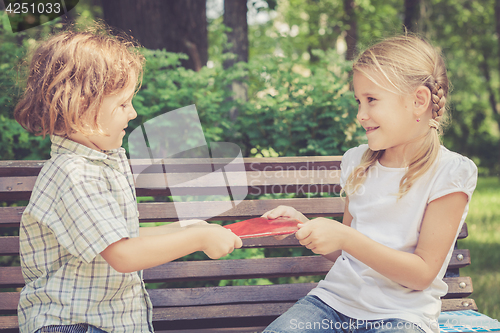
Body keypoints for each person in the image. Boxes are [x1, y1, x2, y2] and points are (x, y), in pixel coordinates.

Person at [14, 26, 242, 333]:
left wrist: (191, 228)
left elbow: (123, 240)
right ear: (81, 107)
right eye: (122, 104)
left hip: (102, 322)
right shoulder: (74, 174)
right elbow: (122, 255)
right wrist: (198, 239)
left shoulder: (99, 163)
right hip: (71, 324)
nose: (133, 113)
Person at [261, 34, 477, 333]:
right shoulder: (357, 162)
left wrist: (346, 238)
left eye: (371, 100)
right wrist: (304, 226)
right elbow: (350, 253)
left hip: (402, 316)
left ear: (418, 101)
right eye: (358, 101)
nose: (361, 115)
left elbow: (421, 274)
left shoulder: (450, 172)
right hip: (332, 304)